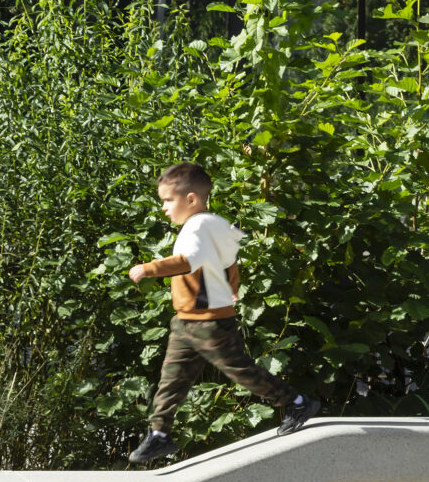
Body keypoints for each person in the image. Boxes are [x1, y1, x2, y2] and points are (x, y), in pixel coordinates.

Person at [124, 162, 319, 464]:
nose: (163, 208)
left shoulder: (197, 226)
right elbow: (230, 263)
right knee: (171, 379)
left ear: (191, 199)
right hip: (186, 321)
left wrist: (148, 268)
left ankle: (297, 402)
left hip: (209, 323)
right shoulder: (215, 223)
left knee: (240, 371)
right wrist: (232, 287)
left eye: (167, 200)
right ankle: (160, 434)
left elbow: (187, 261)